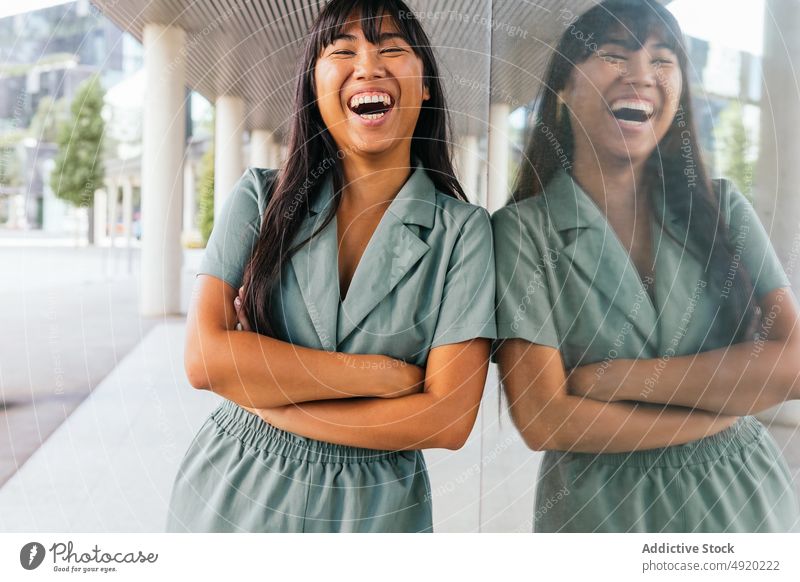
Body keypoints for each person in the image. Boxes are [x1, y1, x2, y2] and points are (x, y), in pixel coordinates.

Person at [166, 0, 495, 533]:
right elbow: (205, 359)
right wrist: (380, 375)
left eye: (391, 48)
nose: (368, 65)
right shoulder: (260, 198)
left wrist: (271, 401)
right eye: (342, 51)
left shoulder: (464, 233)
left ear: (427, 84)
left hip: (376, 510)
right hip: (234, 487)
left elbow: (448, 418)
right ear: (313, 89)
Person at [492, 0, 800, 532]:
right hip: (601, 513)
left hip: (742, 502)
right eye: (614, 54)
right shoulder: (521, 231)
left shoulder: (722, 208)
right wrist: (721, 409)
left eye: (663, 60)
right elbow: (546, 419)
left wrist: (611, 378)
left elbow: (793, 366)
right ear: (563, 87)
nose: (642, 75)